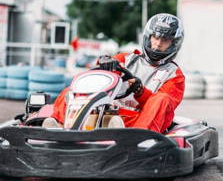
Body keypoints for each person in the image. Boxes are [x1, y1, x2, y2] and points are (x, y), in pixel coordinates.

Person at [44, 13, 185, 133]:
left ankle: (138, 140)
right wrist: (105, 62)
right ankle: (58, 126)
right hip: (108, 113)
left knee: (162, 100)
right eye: (155, 37)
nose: (158, 43)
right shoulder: (126, 59)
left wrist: (140, 91)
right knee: (74, 89)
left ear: (173, 43)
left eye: (164, 40)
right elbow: (99, 74)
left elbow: (163, 108)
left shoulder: (174, 75)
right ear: (148, 37)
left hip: (139, 121)